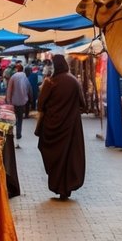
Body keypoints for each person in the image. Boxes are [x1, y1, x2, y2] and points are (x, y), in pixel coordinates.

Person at [35, 54, 86, 200]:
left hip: (52, 128)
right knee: (69, 156)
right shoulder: (74, 81)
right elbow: (83, 104)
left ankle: (58, 185)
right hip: (71, 127)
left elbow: (40, 105)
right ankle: (67, 187)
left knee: (54, 156)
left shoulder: (50, 82)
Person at [5, 61, 32, 145]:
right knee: (20, 118)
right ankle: (18, 134)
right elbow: (29, 88)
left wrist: (8, 99)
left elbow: (9, 89)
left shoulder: (13, 77)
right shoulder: (25, 77)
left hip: (13, 101)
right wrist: (30, 98)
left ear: (17, 69)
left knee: (12, 118)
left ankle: (11, 133)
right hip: (22, 101)